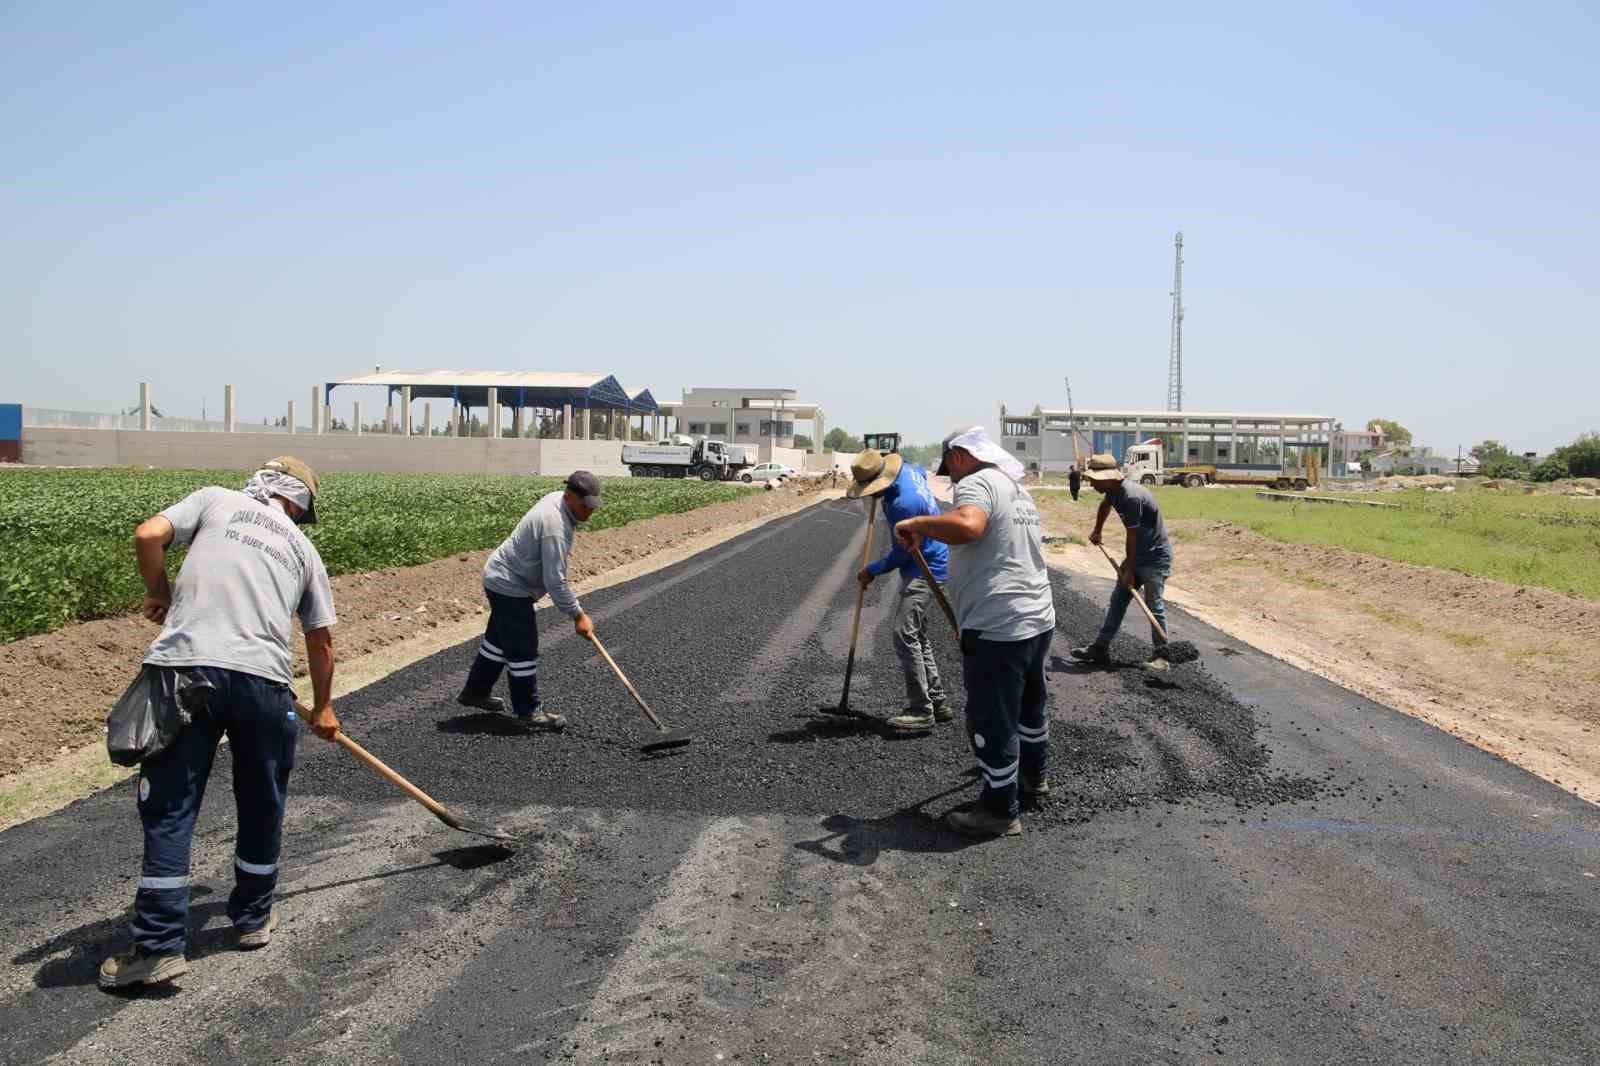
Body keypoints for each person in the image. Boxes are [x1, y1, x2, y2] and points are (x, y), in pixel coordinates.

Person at [100, 457, 339, 990]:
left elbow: (148, 535)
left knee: (171, 806)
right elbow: (321, 641)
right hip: (263, 682)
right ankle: (253, 918)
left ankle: (159, 946)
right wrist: (323, 706)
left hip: (186, 671)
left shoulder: (214, 500)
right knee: (262, 799)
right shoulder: (304, 550)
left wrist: (159, 590)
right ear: (297, 506)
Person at [893, 427, 1055, 838]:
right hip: (1036, 617)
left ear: (961, 455)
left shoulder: (978, 483)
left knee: (992, 716)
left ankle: (999, 811)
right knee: (1030, 706)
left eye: (950, 469)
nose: (953, 479)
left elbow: (969, 525)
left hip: (999, 625)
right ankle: (1034, 779)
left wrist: (920, 523)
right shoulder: (1016, 488)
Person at [457, 471, 600, 729]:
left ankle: (475, 692)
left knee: (498, 642)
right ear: (569, 497)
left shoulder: (560, 501)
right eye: (584, 506)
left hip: (502, 576)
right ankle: (528, 710)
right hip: (509, 585)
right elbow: (555, 581)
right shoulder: (554, 526)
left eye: (592, 507)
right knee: (523, 647)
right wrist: (578, 615)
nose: (589, 513)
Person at [848, 448, 952, 733]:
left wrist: (872, 570)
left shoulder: (903, 505)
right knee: (917, 635)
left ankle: (921, 709)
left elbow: (903, 553)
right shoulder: (911, 471)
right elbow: (917, 468)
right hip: (931, 558)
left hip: (925, 566)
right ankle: (938, 701)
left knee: (904, 634)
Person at [1070, 453, 1173, 665]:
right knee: (1118, 601)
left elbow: (1132, 535)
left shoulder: (1131, 497)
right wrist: (1097, 530)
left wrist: (1129, 569)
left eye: (1094, 480)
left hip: (1155, 557)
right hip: (1137, 555)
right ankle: (1100, 648)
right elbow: (1105, 506)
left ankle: (1162, 655)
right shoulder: (1113, 491)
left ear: (1109, 477)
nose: (1091, 483)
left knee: (1154, 605)